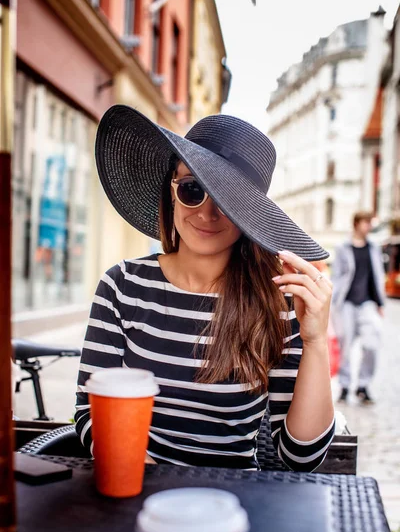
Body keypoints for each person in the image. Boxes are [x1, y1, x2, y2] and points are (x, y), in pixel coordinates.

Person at [75, 106, 335, 472]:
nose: (207, 214)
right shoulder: (122, 286)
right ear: (172, 190)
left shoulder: (278, 301)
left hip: (235, 503)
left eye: (228, 202)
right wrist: (150, 481)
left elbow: (301, 456)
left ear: (250, 215)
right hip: (133, 491)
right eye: (193, 189)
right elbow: (90, 411)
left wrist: (316, 342)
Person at [331, 211, 385, 403]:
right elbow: (336, 277)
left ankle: (363, 385)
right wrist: (333, 303)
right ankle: (345, 386)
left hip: (368, 303)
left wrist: (380, 302)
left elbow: (377, 276)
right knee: (345, 345)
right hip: (346, 303)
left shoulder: (374, 247)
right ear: (356, 224)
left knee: (372, 345)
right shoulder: (343, 247)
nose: (368, 226)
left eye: (370, 222)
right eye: (365, 222)